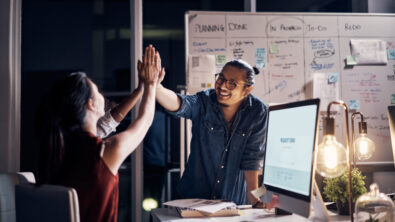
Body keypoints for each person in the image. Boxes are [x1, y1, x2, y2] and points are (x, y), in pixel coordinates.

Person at [38, 45, 163, 222]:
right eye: (97, 90)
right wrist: (151, 84)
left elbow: (108, 123)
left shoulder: (66, 147)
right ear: (91, 104)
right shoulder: (103, 153)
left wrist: (140, 90)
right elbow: (144, 122)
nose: (102, 94)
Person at [155, 58, 268, 206]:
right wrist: (156, 87)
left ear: (247, 90)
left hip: (232, 206)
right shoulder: (204, 101)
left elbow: (252, 159)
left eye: (232, 83)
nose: (222, 86)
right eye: (221, 78)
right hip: (191, 202)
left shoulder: (258, 112)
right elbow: (180, 104)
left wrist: (255, 198)